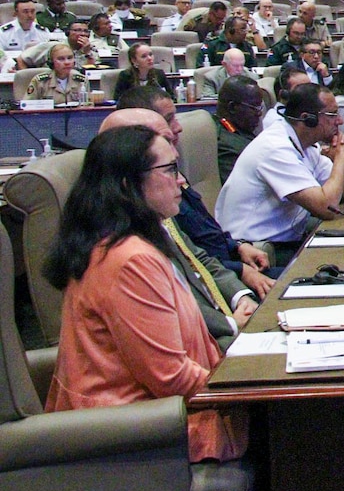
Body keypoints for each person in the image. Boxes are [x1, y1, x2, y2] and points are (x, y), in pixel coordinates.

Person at [43, 125, 251, 463]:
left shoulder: (126, 241)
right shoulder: (130, 260)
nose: (182, 180)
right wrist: (246, 387)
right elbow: (170, 378)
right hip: (139, 437)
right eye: (169, 170)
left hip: (148, 419)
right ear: (127, 185)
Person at [108, 91, 278, 301]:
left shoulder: (166, 183)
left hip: (225, 278)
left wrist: (237, 247)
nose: (178, 127)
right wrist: (231, 321)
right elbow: (187, 276)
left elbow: (198, 249)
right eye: (169, 119)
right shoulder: (133, 234)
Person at [215, 83, 344, 264]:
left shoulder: (306, 145)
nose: (340, 121)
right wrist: (341, 159)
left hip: (288, 237)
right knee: (343, 262)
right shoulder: (275, 148)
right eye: (332, 115)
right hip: (258, 250)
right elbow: (327, 208)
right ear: (308, 119)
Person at [214, 74, 263, 183]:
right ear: (232, 107)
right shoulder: (226, 146)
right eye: (254, 107)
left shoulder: (240, 130)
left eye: (260, 107)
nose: (259, 113)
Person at [25, 42, 90, 104]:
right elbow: (27, 107)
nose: (67, 62)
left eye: (70, 58)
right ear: (51, 62)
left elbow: (87, 107)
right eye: (61, 59)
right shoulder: (40, 81)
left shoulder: (82, 80)